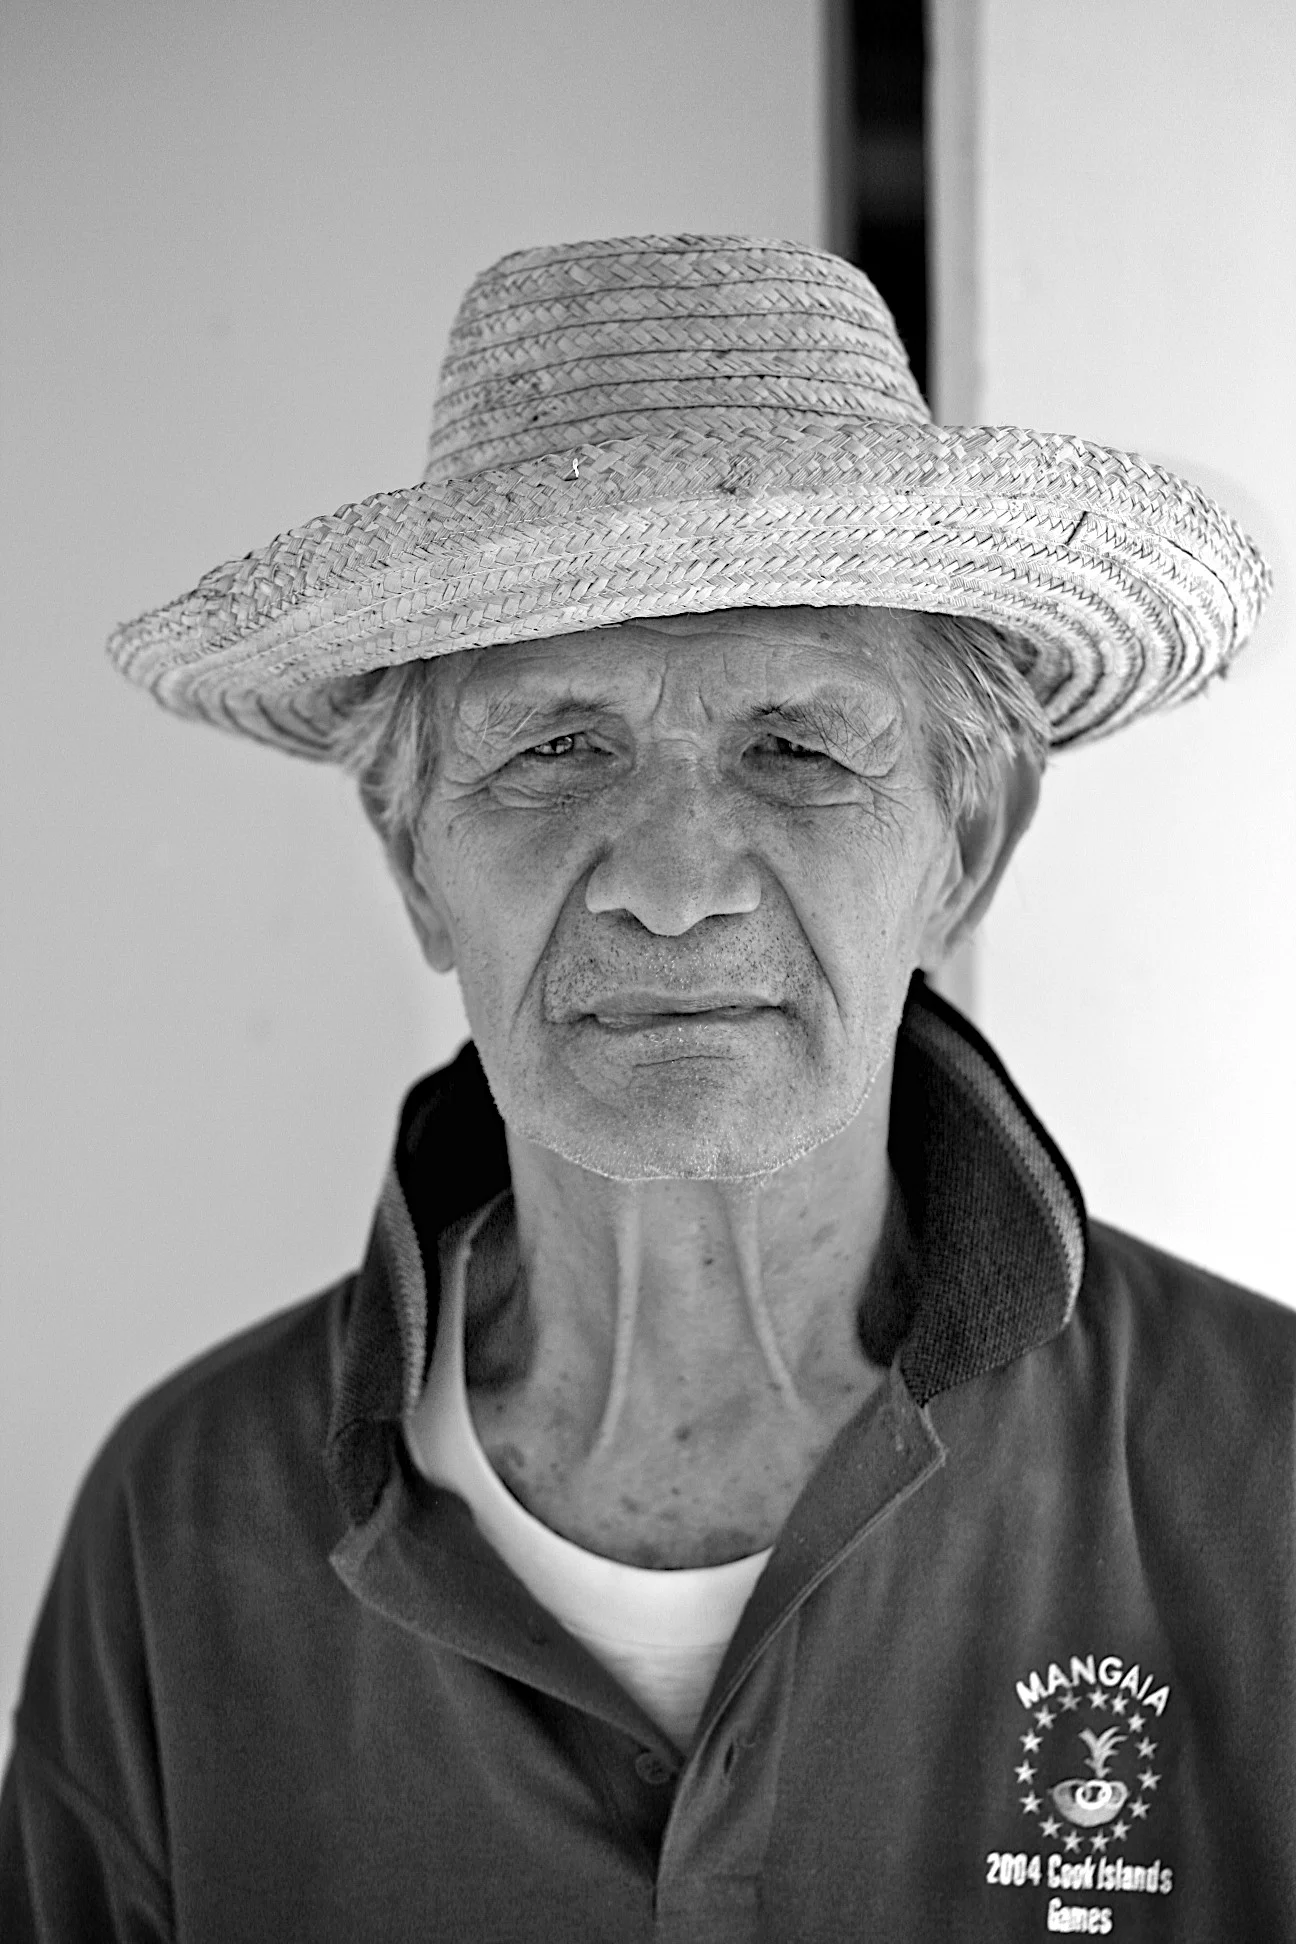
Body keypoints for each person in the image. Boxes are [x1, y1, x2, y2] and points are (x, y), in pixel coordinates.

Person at [1, 235, 1291, 1942]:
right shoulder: (182, 1529)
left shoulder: (1263, 1477)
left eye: (796, 747)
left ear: (967, 844)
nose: (676, 887)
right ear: (412, 856)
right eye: (554, 748)